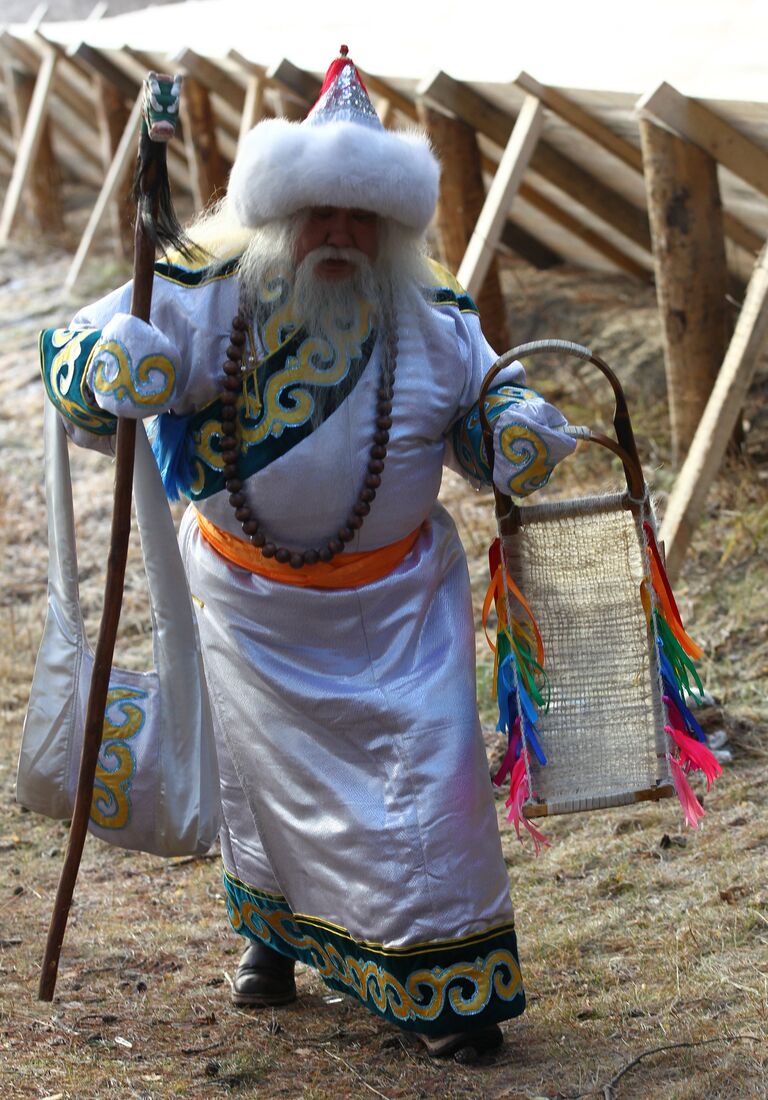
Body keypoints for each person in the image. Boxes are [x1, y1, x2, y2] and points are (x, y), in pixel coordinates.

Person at [39, 48, 574, 1058]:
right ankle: (272, 942)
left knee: (431, 796)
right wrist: (115, 364)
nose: (339, 232)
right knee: (260, 790)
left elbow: (482, 398)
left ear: (393, 228)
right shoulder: (202, 293)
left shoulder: (437, 314)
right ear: (281, 216)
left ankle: (451, 991)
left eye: (360, 216)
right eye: (320, 211)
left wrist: (513, 424)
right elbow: (72, 356)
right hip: (248, 608)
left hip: (405, 614)